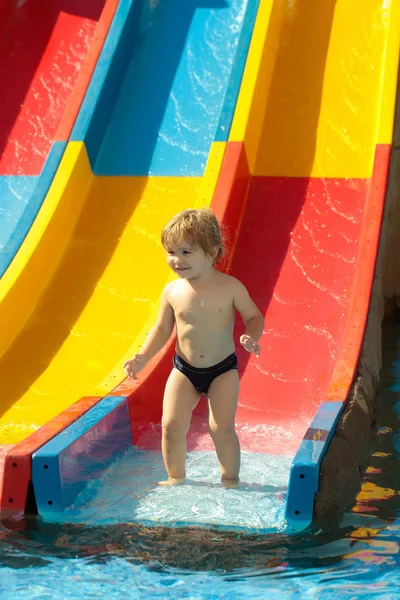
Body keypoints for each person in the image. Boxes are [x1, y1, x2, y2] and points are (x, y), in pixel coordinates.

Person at [123, 208, 264, 487]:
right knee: (171, 426)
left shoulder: (230, 287)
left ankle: (230, 480)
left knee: (220, 428)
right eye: (171, 252)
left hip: (222, 371)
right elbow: (162, 329)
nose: (177, 260)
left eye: (186, 252)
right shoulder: (172, 292)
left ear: (212, 253)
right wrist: (142, 357)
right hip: (184, 370)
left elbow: (254, 316)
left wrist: (251, 336)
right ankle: (175, 478)